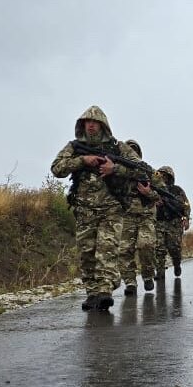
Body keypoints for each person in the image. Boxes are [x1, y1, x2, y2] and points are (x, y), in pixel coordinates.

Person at [51, 105, 142, 311]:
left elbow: (140, 170)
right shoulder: (74, 147)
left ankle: (105, 291)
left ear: (103, 125)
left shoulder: (118, 147)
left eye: (95, 122)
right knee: (87, 252)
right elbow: (57, 168)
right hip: (85, 210)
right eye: (87, 122)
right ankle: (92, 293)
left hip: (111, 208)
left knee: (106, 249)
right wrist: (82, 160)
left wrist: (114, 168)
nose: (91, 125)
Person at [117, 139, 161, 295]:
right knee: (124, 250)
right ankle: (130, 283)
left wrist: (148, 193)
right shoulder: (118, 172)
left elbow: (162, 195)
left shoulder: (147, 171)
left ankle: (148, 276)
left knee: (146, 245)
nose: (131, 153)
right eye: (129, 150)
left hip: (146, 214)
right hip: (126, 215)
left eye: (134, 151)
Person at [154, 165, 191, 279]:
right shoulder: (154, 189)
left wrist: (186, 218)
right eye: (161, 175)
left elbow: (186, 205)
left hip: (174, 223)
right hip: (159, 222)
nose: (163, 178)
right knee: (159, 248)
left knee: (174, 248)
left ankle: (177, 264)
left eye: (165, 175)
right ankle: (160, 273)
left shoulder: (177, 190)